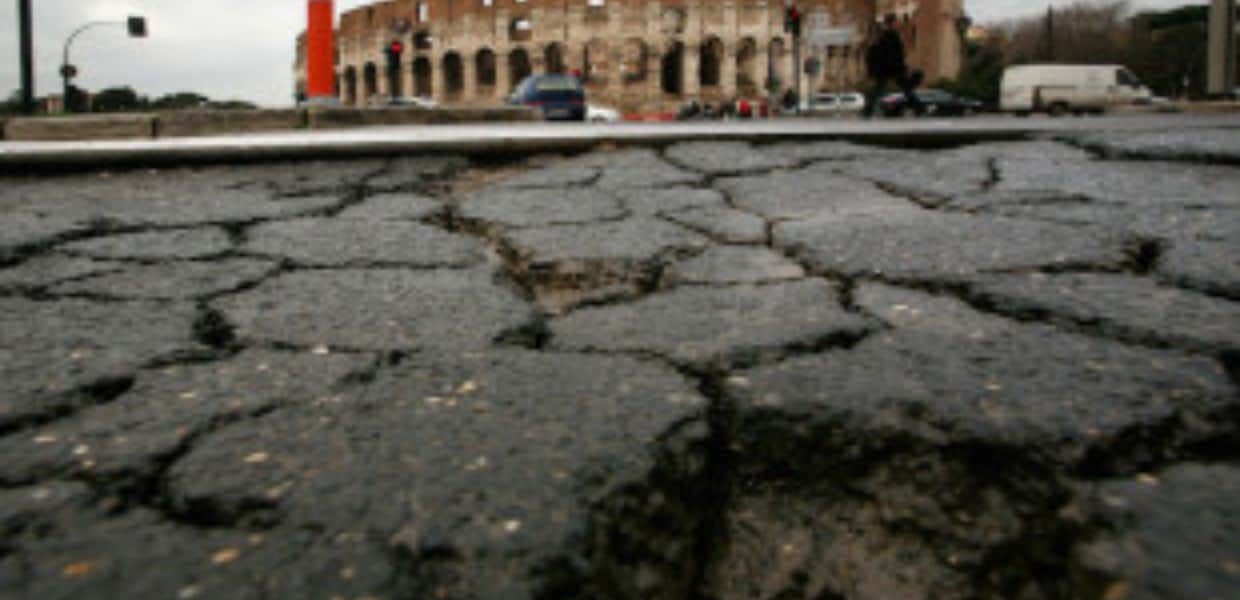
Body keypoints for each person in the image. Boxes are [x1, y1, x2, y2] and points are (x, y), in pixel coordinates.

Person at [862, 14, 924, 118]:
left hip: (884, 69)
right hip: (892, 68)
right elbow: (897, 54)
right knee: (905, 88)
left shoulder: (881, 36)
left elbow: (874, 52)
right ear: (892, 22)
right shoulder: (892, 36)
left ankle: (867, 110)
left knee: (879, 89)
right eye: (895, 22)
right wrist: (902, 66)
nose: (897, 24)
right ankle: (919, 108)